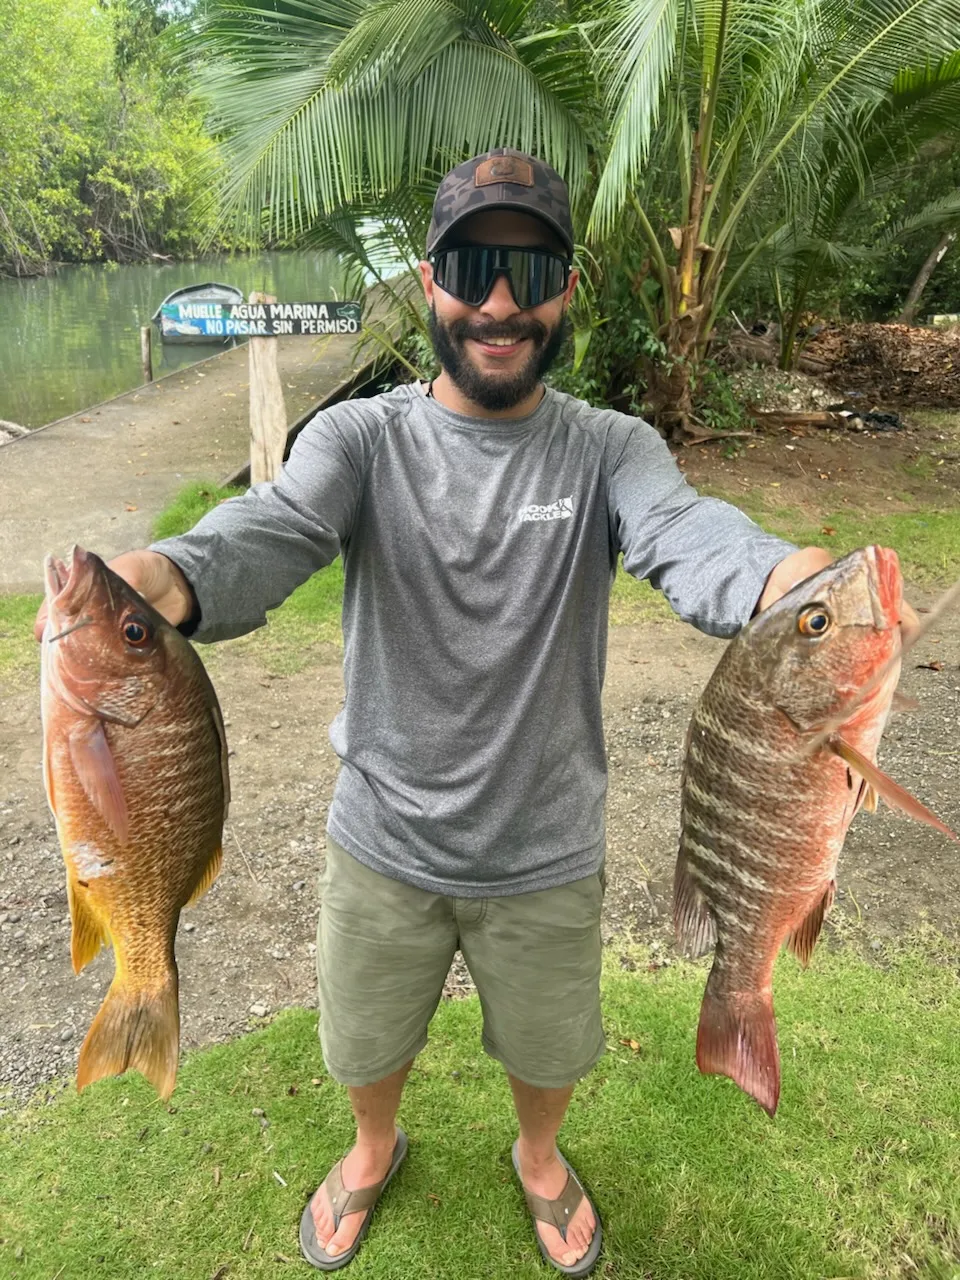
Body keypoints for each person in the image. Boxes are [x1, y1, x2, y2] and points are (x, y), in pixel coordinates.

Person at [35, 149, 889, 1275]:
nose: (499, 302)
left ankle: (540, 1158)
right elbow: (272, 529)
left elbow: (689, 536)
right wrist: (171, 573)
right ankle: (371, 1146)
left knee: (550, 1047)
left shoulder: (607, 449)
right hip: (384, 839)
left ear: (567, 288)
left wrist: (786, 583)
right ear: (431, 279)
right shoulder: (361, 440)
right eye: (473, 266)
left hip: (544, 848)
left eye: (528, 270)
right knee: (364, 1038)